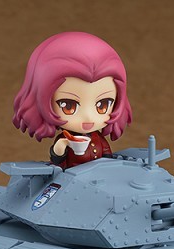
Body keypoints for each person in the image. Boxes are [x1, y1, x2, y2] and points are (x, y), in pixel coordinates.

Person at [12, 32, 132, 170]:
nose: (88, 116)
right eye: (68, 106)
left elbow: (106, 155)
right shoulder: (65, 139)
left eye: (102, 105)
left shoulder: (98, 138)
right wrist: (61, 146)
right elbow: (57, 159)